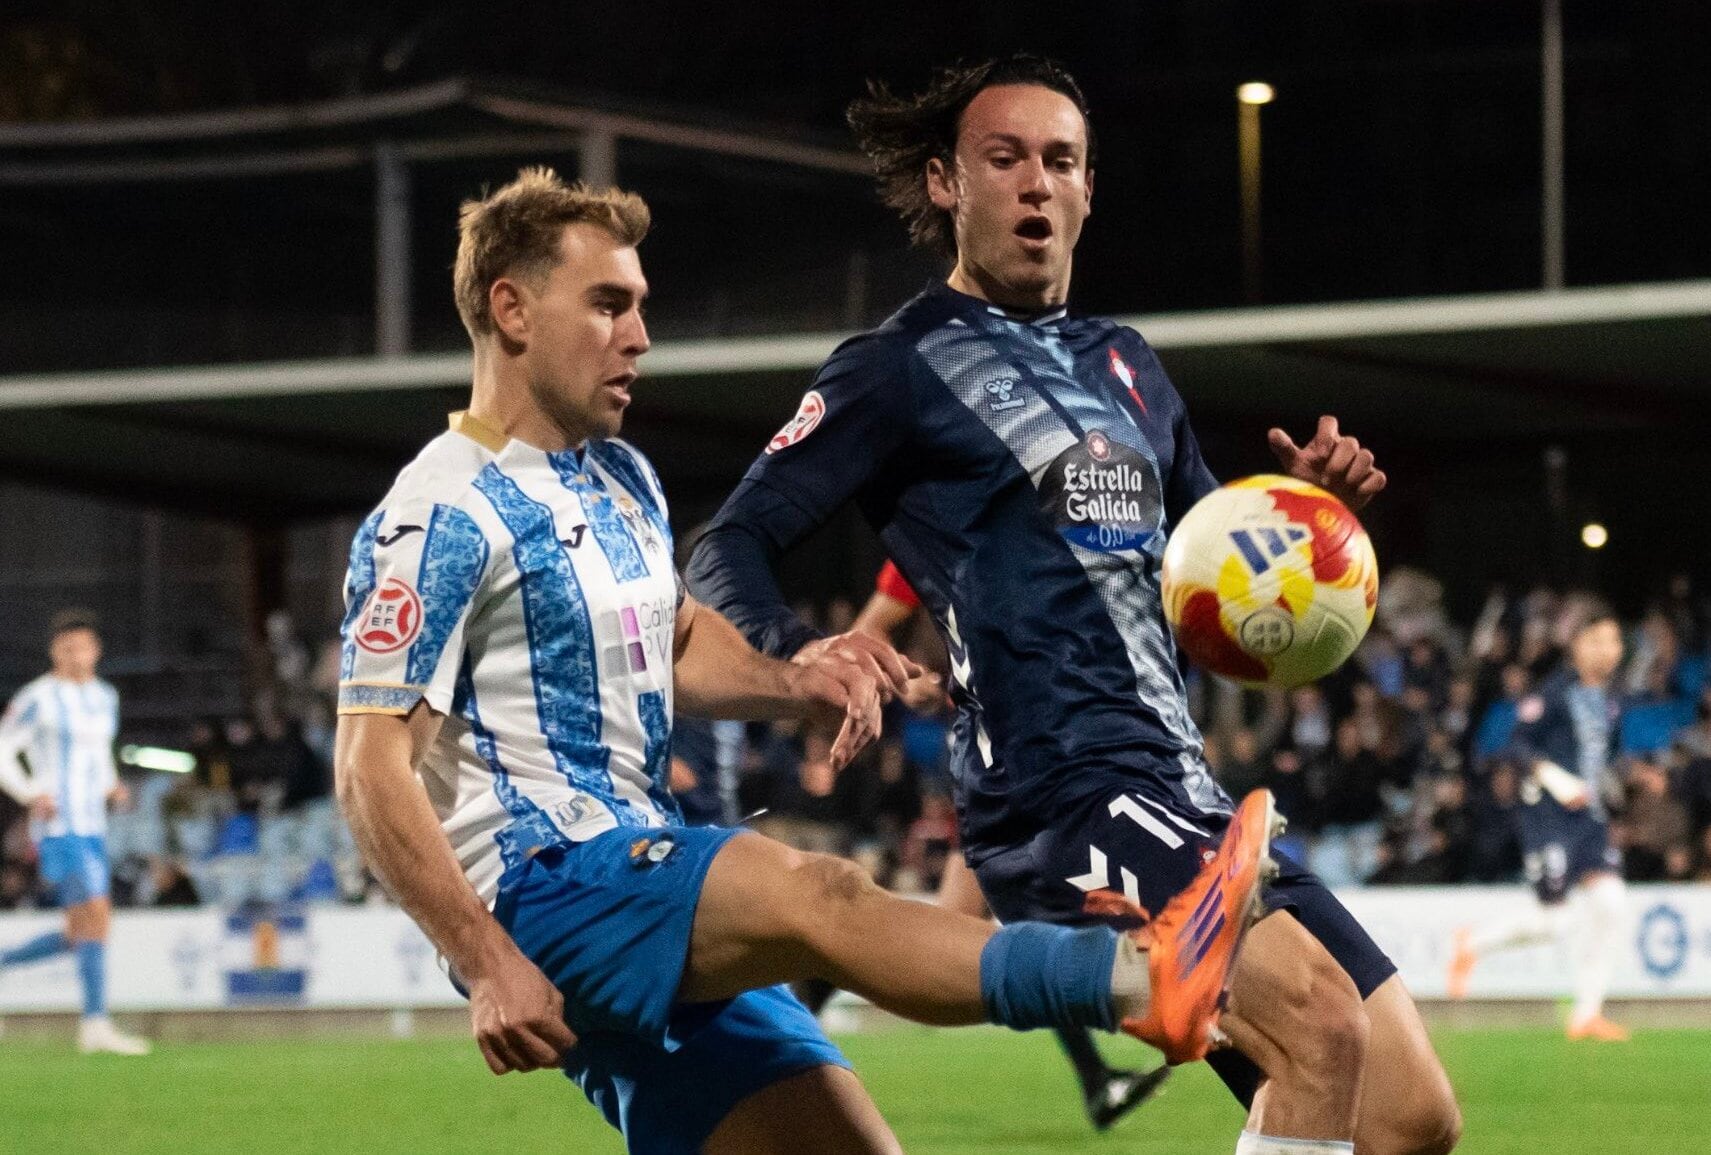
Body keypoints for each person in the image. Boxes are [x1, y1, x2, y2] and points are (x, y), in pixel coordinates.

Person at [332, 167, 1274, 1154]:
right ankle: (1139, 981)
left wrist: (799, 679)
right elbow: (369, 769)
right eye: (607, 305)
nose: (638, 337)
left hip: (639, 886)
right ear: (511, 309)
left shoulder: (616, 478)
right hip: (547, 884)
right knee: (819, 895)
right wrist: (483, 959)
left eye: (641, 307)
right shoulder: (436, 513)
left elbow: (674, 641)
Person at [688, 55, 1461, 1155]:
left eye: (1060, 162)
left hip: (1177, 786)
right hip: (1058, 796)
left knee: (1409, 1118)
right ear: (947, 183)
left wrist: (1303, 526)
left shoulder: (1129, 365)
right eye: (1003, 160)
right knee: (1320, 1024)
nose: (1034, 184)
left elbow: (1216, 582)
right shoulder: (895, 368)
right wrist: (799, 654)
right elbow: (731, 543)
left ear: (1090, 189)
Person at [856, 560, 1171, 1130]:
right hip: (997, 769)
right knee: (990, 933)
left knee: (982, 930)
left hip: (1045, 756)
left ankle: (823, 962)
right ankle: (823, 957)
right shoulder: (927, 527)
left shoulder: (1047, 516)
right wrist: (915, 685)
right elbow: (870, 630)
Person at [1447, 610, 1632, 1041]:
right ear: (1578, 645)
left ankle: (1586, 1014)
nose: (1610, 649)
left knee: (1612, 905)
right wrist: (1554, 777)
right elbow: (1515, 744)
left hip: (1589, 819)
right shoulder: (1553, 694)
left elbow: (1604, 756)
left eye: (1616, 640)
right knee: (1555, 921)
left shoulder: (1611, 699)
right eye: (1600, 639)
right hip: (1547, 817)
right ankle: (1470, 943)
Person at [0, 610, 151, 1055]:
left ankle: (91, 1020)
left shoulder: (105, 696)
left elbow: (100, 752)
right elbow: (4, 748)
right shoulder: (38, 698)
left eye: (83, 647)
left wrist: (111, 785)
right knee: (97, 916)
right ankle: (95, 1023)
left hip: (93, 823)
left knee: (79, 931)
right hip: (59, 824)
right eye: (67, 649)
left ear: (96, 650)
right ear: (54, 653)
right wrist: (30, 793)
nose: (76, 656)